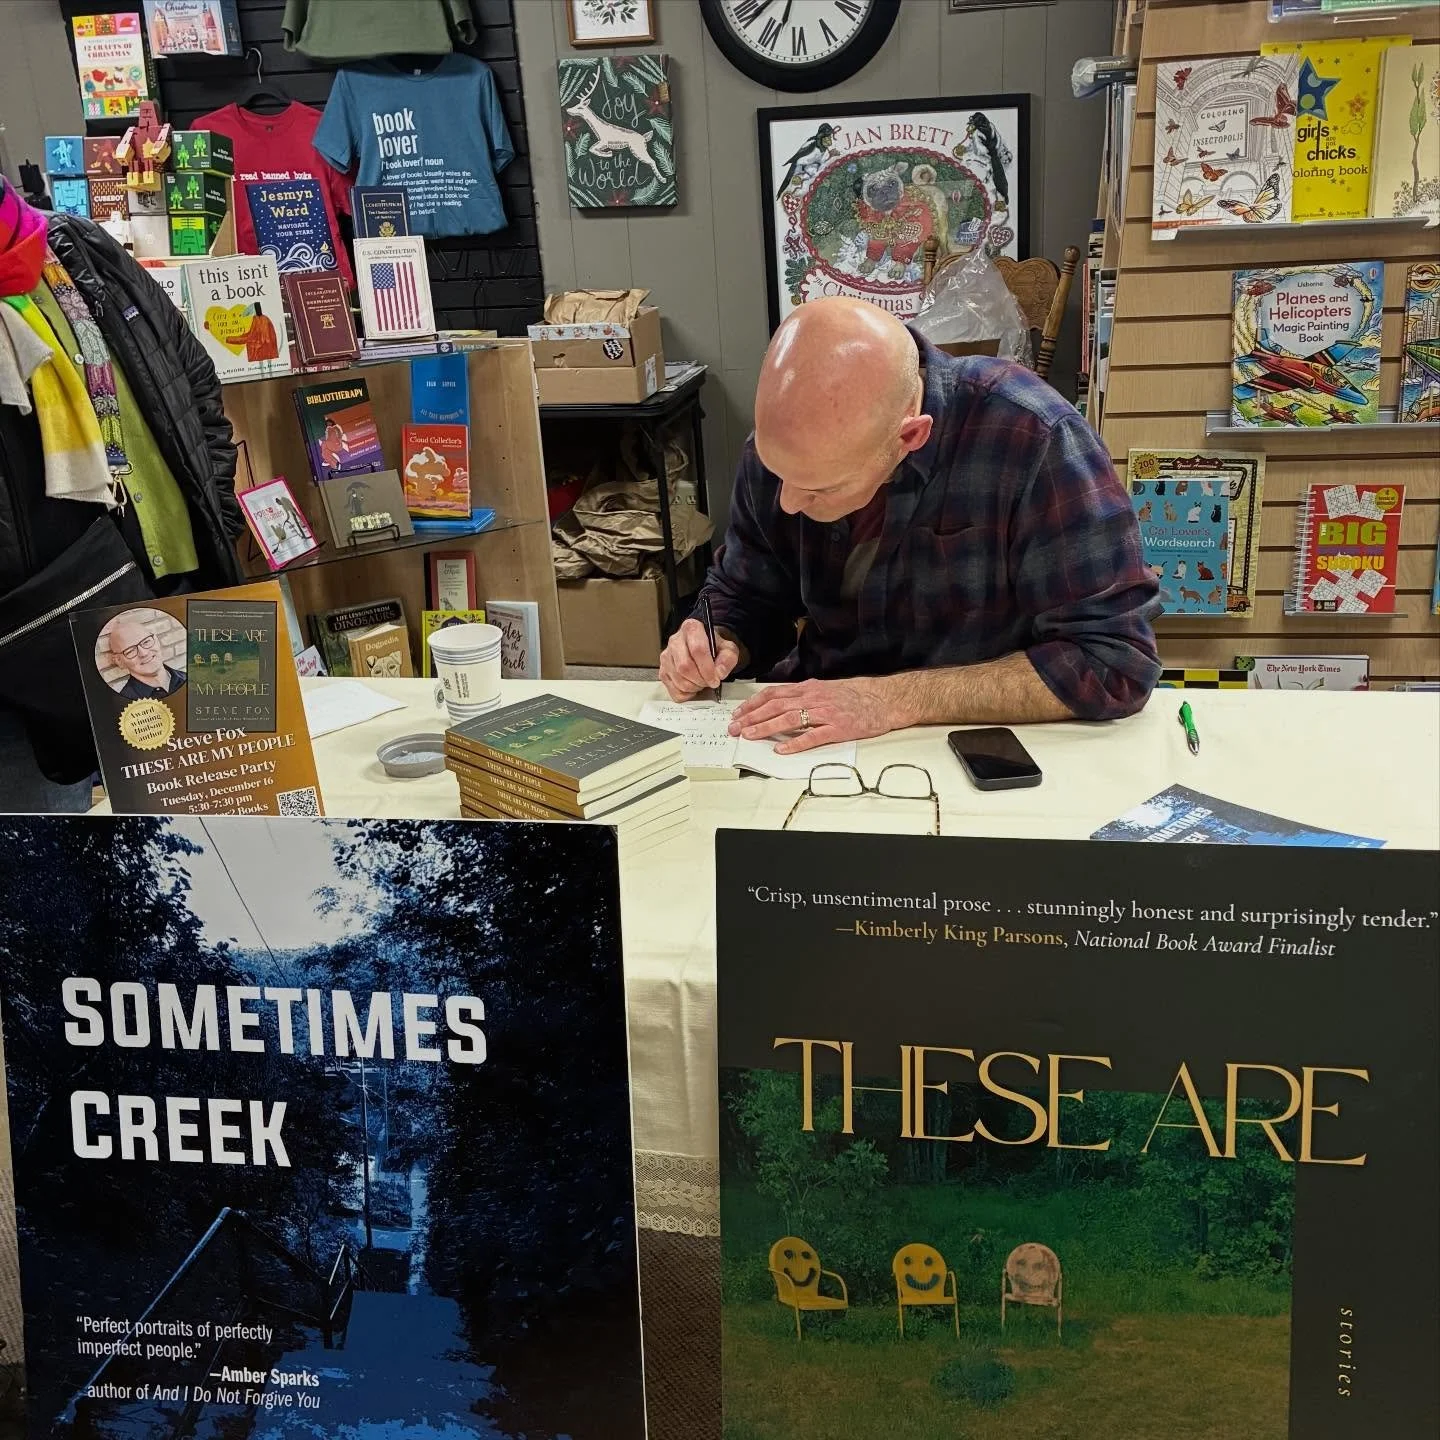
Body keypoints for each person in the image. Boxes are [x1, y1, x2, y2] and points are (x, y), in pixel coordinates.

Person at [659, 297, 1160, 753]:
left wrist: (893, 699)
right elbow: (749, 594)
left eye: (820, 489)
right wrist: (717, 637)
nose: (788, 502)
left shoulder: (1034, 437)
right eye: (778, 474)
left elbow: (1113, 660)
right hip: (818, 732)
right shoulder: (792, 450)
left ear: (910, 437)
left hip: (978, 741)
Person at [0, 176, 244, 811]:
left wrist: (217, 511)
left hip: (188, 579)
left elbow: (191, 378)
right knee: (61, 864)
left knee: (249, 814)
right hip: (37, 644)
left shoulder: (72, 244)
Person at [104, 614, 186, 700]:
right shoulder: (126, 705)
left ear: (157, 641)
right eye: (130, 651)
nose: (144, 653)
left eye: (146, 642)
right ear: (119, 661)